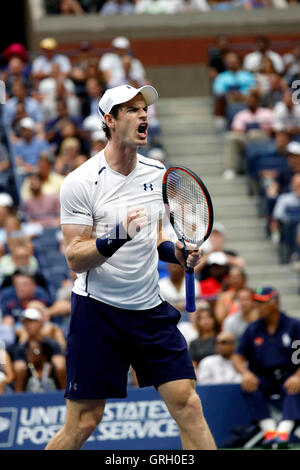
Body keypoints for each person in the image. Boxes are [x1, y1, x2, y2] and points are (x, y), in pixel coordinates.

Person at [45, 84, 216, 450]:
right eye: (132, 110)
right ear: (109, 120)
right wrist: (116, 236)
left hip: (148, 309)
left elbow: (154, 242)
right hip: (98, 311)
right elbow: (74, 257)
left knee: (188, 404)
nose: (143, 115)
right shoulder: (80, 182)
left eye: (144, 109)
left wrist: (179, 254)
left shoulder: (157, 173)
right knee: (84, 421)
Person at [232, 286, 300, 449]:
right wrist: (245, 373)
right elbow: (237, 356)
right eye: (257, 303)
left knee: (295, 387)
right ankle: (270, 432)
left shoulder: (294, 326)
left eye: (263, 303)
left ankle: (283, 432)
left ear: (275, 303)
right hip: (262, 377)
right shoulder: (253, 328)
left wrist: (298, 376)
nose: (258, 307)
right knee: (249, 386)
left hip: (289, 375)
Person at [189, 305, 219, 372]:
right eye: (202, 318)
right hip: (202, 376)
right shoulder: (194, 343)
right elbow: (193, 365)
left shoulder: (221, 339)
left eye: (209, 317)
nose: (206, 321)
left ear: (214, 319)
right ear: (198, 322)